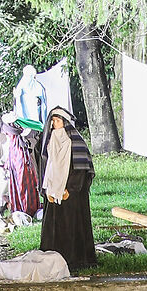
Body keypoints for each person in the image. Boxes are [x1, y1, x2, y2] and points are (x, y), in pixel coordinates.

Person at [39, 106, 96, 272]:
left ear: (65, 122)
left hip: (71, 193)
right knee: (54, 226)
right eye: (53, 121)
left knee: (72, 225)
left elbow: (81, 168)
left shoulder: (75, 142)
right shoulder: (50, 141)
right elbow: (47, 166)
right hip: (52, 191)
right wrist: (47, 189)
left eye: (58, 121)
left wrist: (70, 188)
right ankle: (52, 255)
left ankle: (75, 259)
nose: (54, 124)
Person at [1, 118, 41, 218]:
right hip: (18, 170)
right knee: (19, 187)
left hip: (22, 171)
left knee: (23, 188)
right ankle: (21, 207)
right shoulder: (13, 143)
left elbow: (20, 163)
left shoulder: (18, 146)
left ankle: (26, 209)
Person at [12, 63, 47, 137]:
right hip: (24, 117)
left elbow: (43, 105)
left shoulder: (38, 86)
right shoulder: (21, 85)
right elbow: (17, 103)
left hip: (35, 116)